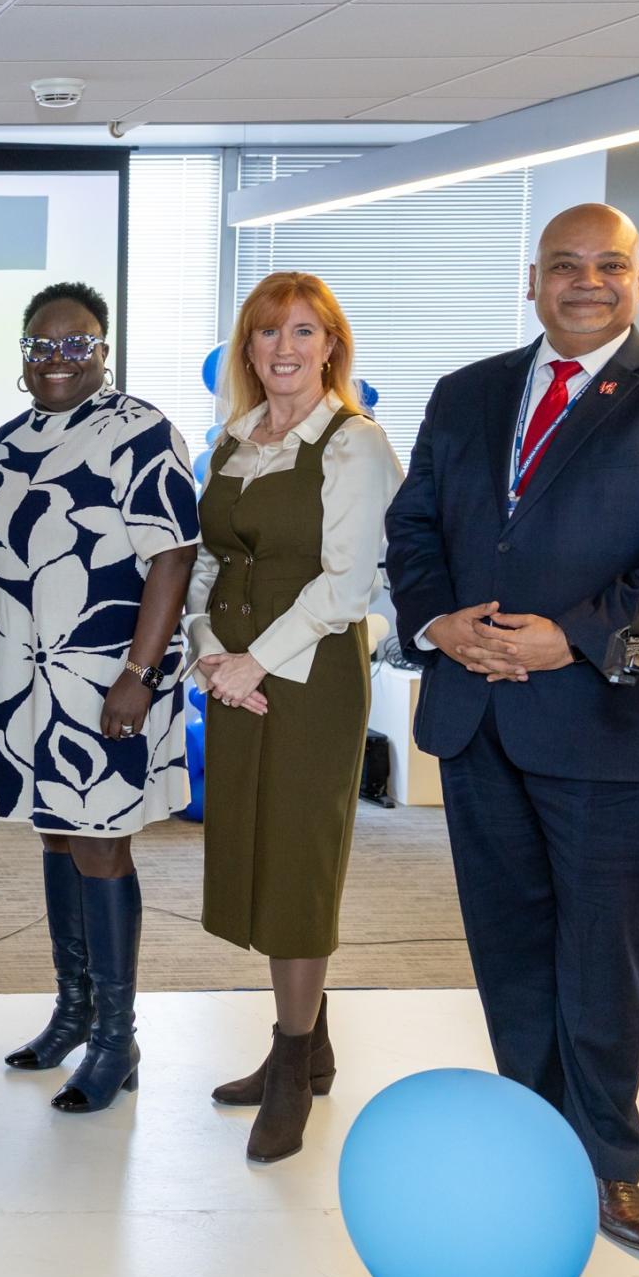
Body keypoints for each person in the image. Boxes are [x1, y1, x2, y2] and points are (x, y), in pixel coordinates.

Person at [385, 203, 639, 1255]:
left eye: (608, 266)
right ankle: (530, 1146)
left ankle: (605, 1168)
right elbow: (415, 528)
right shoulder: (468, 392)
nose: (584, 282)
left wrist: (574, 639)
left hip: (607, 717)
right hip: (478, 714)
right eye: (563, 265)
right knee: (509, 950)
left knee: (604, 954)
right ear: (533, 278)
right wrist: (436, 621)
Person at [187, 271, 401, 1163]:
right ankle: (309, 1047)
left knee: (299, 865)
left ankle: (286, 1063)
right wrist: (205, 647)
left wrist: (250, 661)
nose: (284, 348)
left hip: (306, 679)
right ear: (247, 347)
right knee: (259, 853)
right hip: (236, 675)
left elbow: (348, 583)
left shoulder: (353, 445)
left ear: (330, 347)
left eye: (303, 332)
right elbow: (206, 560)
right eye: (268, 332)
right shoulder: (235, 441)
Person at [0, 282, 200, 1113]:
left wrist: (137, 676)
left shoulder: (137, 430)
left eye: (76, 345)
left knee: (101, 840)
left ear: (102, 352)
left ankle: (117, 1039)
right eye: (42, 346)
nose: (57, 360)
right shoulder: (7, 438)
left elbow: (171, 556)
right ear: (24, 354)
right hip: (24, 676)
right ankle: (73, 1011)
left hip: (104, 676)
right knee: (56, 835)